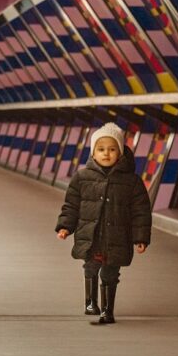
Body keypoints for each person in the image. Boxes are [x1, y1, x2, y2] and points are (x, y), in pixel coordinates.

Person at [55, 121, 151, 325]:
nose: (106, 153)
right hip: (91, 236)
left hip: (116, 238)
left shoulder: (132, 182)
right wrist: (65, 226)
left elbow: (140, 211)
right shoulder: (81, 178)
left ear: (121, 152)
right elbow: (71, 205)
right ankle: (90, 302)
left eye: (112, 149)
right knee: (90, 268)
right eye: (101, 149)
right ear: (93, 152)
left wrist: (140, 237)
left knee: (110, 273)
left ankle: (108, 310)